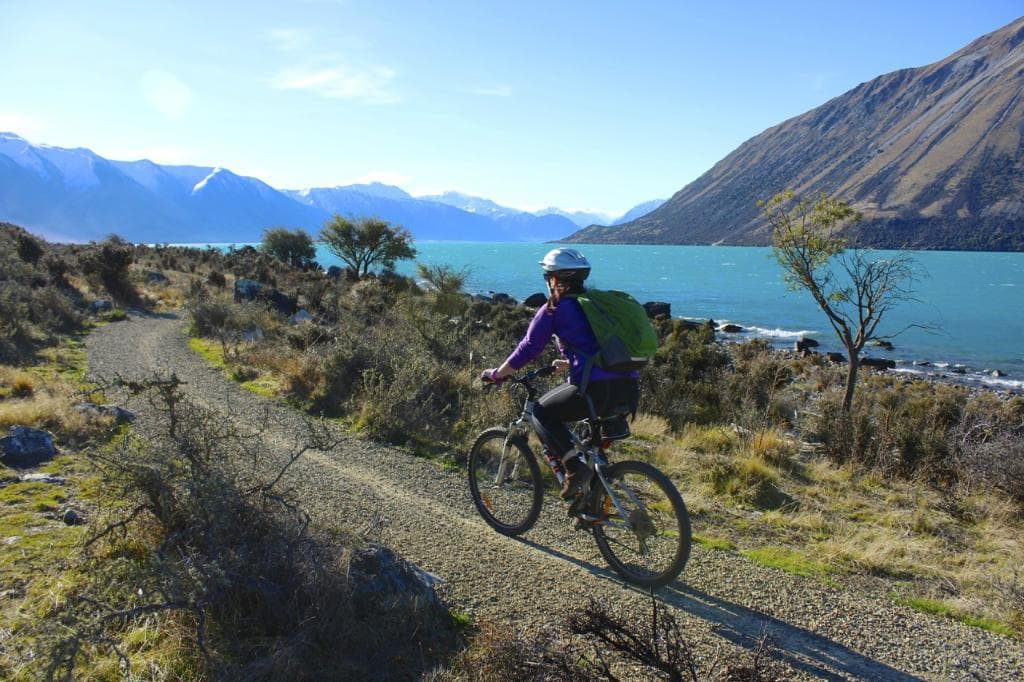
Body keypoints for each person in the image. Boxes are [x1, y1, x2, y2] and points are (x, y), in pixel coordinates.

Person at [481, 248, 640, 499]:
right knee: (591, 445)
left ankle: (573, 468)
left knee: (542, 413)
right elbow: (599, 345)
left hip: (595, 391)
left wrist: (498, 374)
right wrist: (570, 362)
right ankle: (591, 502)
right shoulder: (597, 303)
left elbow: (529, 348)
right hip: (629, 387)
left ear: (552, 279)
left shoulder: (553, 309)